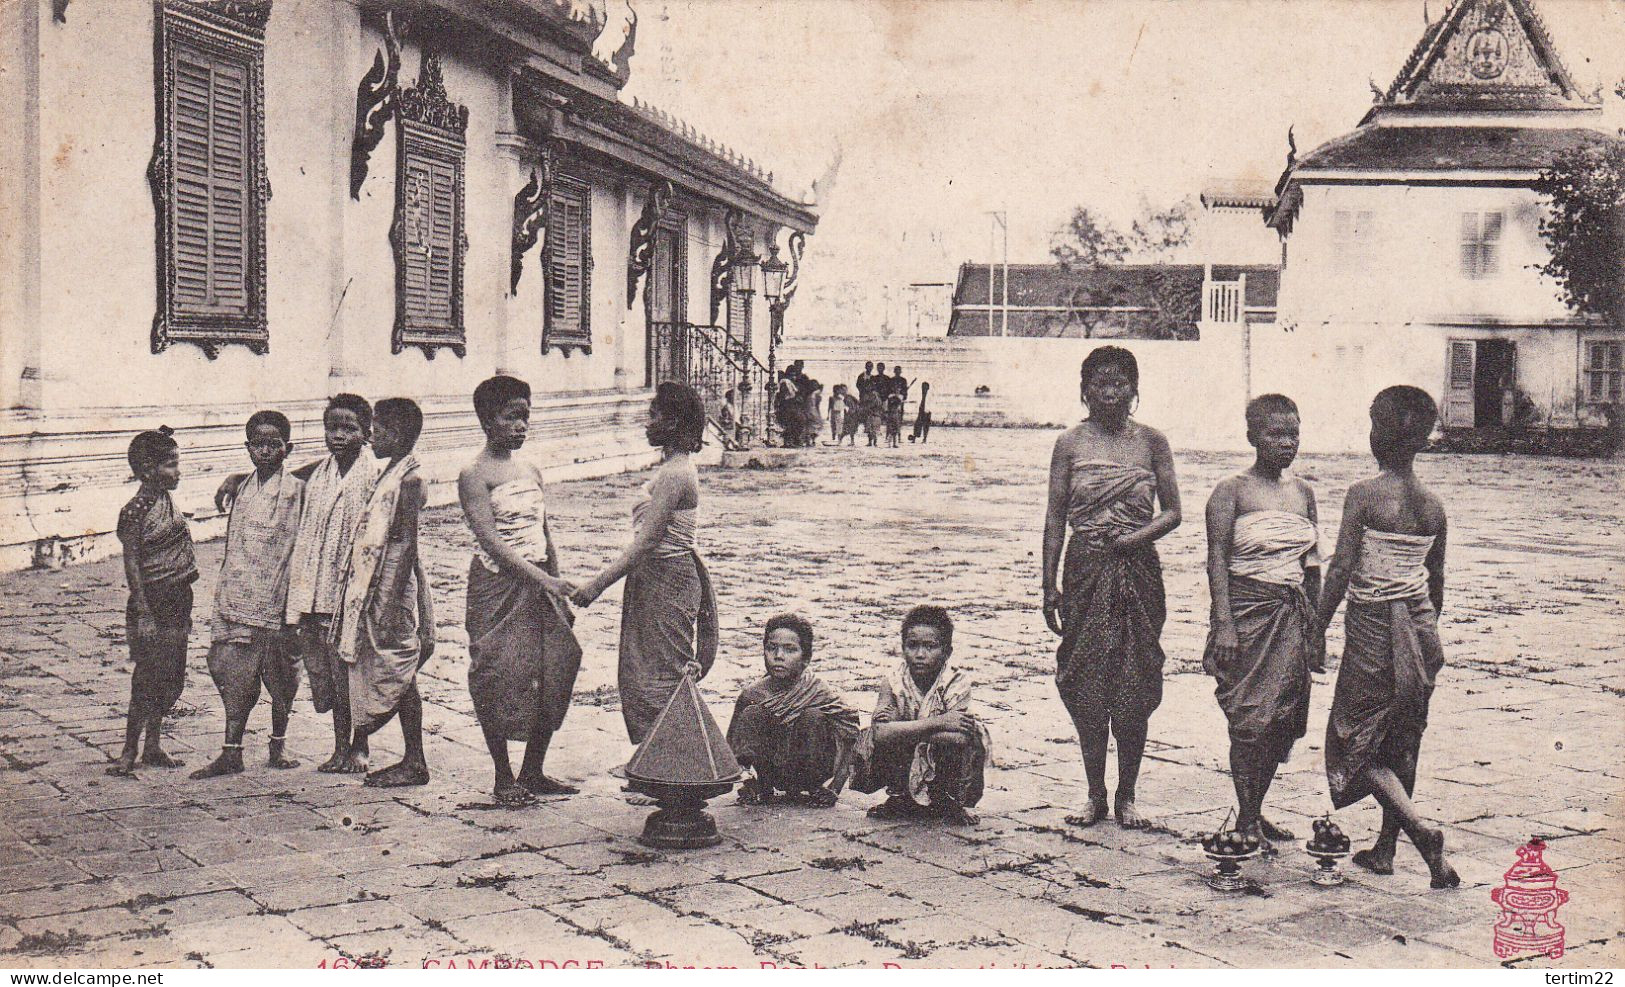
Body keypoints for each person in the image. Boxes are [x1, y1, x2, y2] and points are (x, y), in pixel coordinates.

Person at [1316, 386, 1459, 889]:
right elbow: (1435, 585)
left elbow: (1339, 572)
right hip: (1422, 631)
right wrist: (1420, 641)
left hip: (1374, 627)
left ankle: (1421, 831)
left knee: (1351, 742)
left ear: (1378, 433)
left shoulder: (1365, 494)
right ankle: (1384, 848)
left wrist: (1316, 628)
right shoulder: (1433, 506)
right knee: (1404, 740)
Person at [1042, 346, 1181, 829]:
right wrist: (1048, 585)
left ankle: (1128, 796)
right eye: (1100, 383)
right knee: (1085, 680)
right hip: (1084, 569)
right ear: (1085, 389)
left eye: (1119, 383)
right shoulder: (1069, 443)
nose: (1109, 392)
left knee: (1136, 681)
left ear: (1134, 388)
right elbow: (1056, 516)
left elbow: (1173, 512)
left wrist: (1133, 538)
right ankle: (1094, 795)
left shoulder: (1153, 442)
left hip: (1138, 571)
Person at [1203, 394, 1322, 847]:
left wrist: (1316, 629)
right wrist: (1225, 625)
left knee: (1283, 719)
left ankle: (1253, 812)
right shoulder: (1230, 491)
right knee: (1249, 718)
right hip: (1247, 614)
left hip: (1291, 616)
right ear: (1252, 435)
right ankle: (1249, 816)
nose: (1287, 442)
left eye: (1293, 432)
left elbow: (1312, 565)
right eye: (1276, 433)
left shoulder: (1304, 492)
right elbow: (1216, 560)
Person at [573, 382, 717, 753]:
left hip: (668, 578)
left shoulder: (676, 473)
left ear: (672, 422)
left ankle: (675, 766)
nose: (647, 423)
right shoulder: (672, 467)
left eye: (654, 415)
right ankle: (656, 761)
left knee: (663, 675)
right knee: (641, 672)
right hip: (654, 579)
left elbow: (647, 541)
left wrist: (596, 585)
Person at [459, 376, 583, 806]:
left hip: (541, 585)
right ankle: (502, 776)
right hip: (497, 587)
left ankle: (534, 769)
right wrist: (541, 577)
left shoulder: (531, 469)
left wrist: (556, 580)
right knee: (496, 672)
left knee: (556, 665)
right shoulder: (474, 475)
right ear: (486, 419)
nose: (520, 425)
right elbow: (491, 540)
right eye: (511, 416)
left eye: (525, 416)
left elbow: (544, 530)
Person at [192, 411, 305, 780]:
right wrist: (238, 476)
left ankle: (278, 744)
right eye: (258, 444)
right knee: (234, 671)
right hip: (237, 596)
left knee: (281, 675)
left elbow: (325, 465)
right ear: (247, 448)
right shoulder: (243, 487)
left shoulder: (298, 489)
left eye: (275, 444)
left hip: (278, 598)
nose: (266, 451)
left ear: (288, 447)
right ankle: (231, 750)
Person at [336, 398, 437, 788]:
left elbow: (407, 542)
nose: (372, 435)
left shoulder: (409, 479)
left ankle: (415, 760)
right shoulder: (389, 472)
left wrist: (392, 598)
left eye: (379, 429)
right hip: (377, 580)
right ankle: (410, 756)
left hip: (392, 583)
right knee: (389, 667)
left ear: (399, 434)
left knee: (398, 668)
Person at [278, 394, 380, 773]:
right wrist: (240, 478)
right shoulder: (320, 472)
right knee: (330, 673)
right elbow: (287, 479)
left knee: (354, 671)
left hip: (353, 591)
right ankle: (339, 746)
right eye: (331, 428)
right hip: (319, 589)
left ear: (366, 433)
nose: (338, 436)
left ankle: (361, 746)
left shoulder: (374, 475)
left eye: (348, 429)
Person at [109, 426, 197, 776]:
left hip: (178, 597)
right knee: (147, 676)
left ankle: (154, 747)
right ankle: (129, 751)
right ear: (148, 470)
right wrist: (143, 612)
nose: (178, 472)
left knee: (172, 676)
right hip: (151, 601)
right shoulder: (135, 511)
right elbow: (132, 563)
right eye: (171, 465)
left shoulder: (165, 499)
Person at [851, 606, 989, 826]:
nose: (920, 654)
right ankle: (900, 798)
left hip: (941, 754)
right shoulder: (894, 682)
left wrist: (902, 729)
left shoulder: (955, 682)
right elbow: (879, 733)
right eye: (912, 645)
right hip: (908, 751)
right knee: (870, 740)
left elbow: (959, 737)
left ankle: (949, 801)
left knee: (969, 741)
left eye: (930, 646)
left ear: (947, 652)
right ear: (903, 647)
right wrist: (939, 723)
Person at [727, 613, 859, 807]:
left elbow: (852, 740)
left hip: (812, 771)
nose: (778, 656)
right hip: (771, 771)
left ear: (806, 658)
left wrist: (835, 788)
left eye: (790, 650)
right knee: (752, 713)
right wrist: (745, 777)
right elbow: (731, 746)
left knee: (812, 717)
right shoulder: (752, 694)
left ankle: (813, 788)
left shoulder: (819, 691)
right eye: (772, 648)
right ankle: (760, 786)